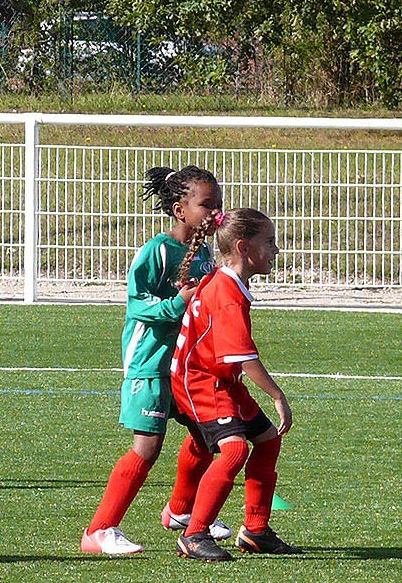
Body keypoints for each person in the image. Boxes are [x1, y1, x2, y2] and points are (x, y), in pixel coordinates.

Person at [80, 165, 232, 554]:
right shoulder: (158, 250)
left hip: (184, 367)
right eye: (207, 205)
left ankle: (180, 511)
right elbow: (137, 304)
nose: (216, 213)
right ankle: (99, 531)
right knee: (147, 447)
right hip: (149, 364)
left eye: (219, 205)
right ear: (181, 211)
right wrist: (177, 302)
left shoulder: (203, 255)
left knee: (204, 436)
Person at [168, 207, 301, 562]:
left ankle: (256, 531)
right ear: (244, 248)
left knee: (268, 441)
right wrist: (278, 395)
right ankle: (194, 535)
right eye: (269, 242)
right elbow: (243, 357)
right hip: (200, 381)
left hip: (219, 378)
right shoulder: (227, 294)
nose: (276, 251)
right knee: (235, 451)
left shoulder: (226, 280)